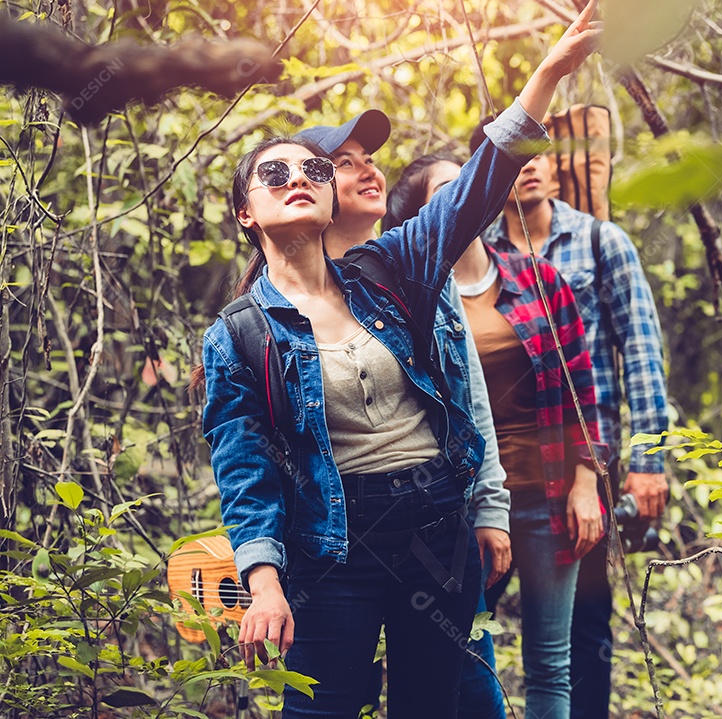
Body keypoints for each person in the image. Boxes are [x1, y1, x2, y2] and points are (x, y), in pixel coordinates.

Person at [198, 7, 601, 716]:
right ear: (246, 213)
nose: (301, 175)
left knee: (433, 705)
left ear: (328, 197)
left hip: (436, 532)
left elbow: (475, 190)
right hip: (331, 550)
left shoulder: (390, 268)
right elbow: (245, 469)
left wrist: (546, 75)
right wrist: (263, 579)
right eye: (276, 171)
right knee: (322, 707)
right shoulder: (238, 334)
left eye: (314, 168)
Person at [295, 97, 509, 719]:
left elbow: (469, 397)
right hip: (335, 546)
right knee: (329, 694)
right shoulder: (276, 305)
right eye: (343, 161)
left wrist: (489, 506)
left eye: (370, 159)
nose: (368, 170)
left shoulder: (421, 271)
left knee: (461, 688)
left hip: (438, 524)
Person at [385, 155, 605, 719]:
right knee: (461, 654)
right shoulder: (413, 299)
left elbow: (583, 385)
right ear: (420, 218)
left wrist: (586, 482)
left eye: (471, 181)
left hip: (548, 497)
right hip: (463, 510)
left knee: (550, 664)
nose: (470, 194)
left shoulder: (538, 277)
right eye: (449, 190)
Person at [471, 128, 670, 719]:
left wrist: (647, 463)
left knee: (581, 628)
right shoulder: (473, 252)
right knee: (468, 620)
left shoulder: (599, 240)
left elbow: (640, 351)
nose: (528, 169)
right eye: (512, 161)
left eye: (539, 159)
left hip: (587, 462)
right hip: (496, 472)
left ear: (557, 170)